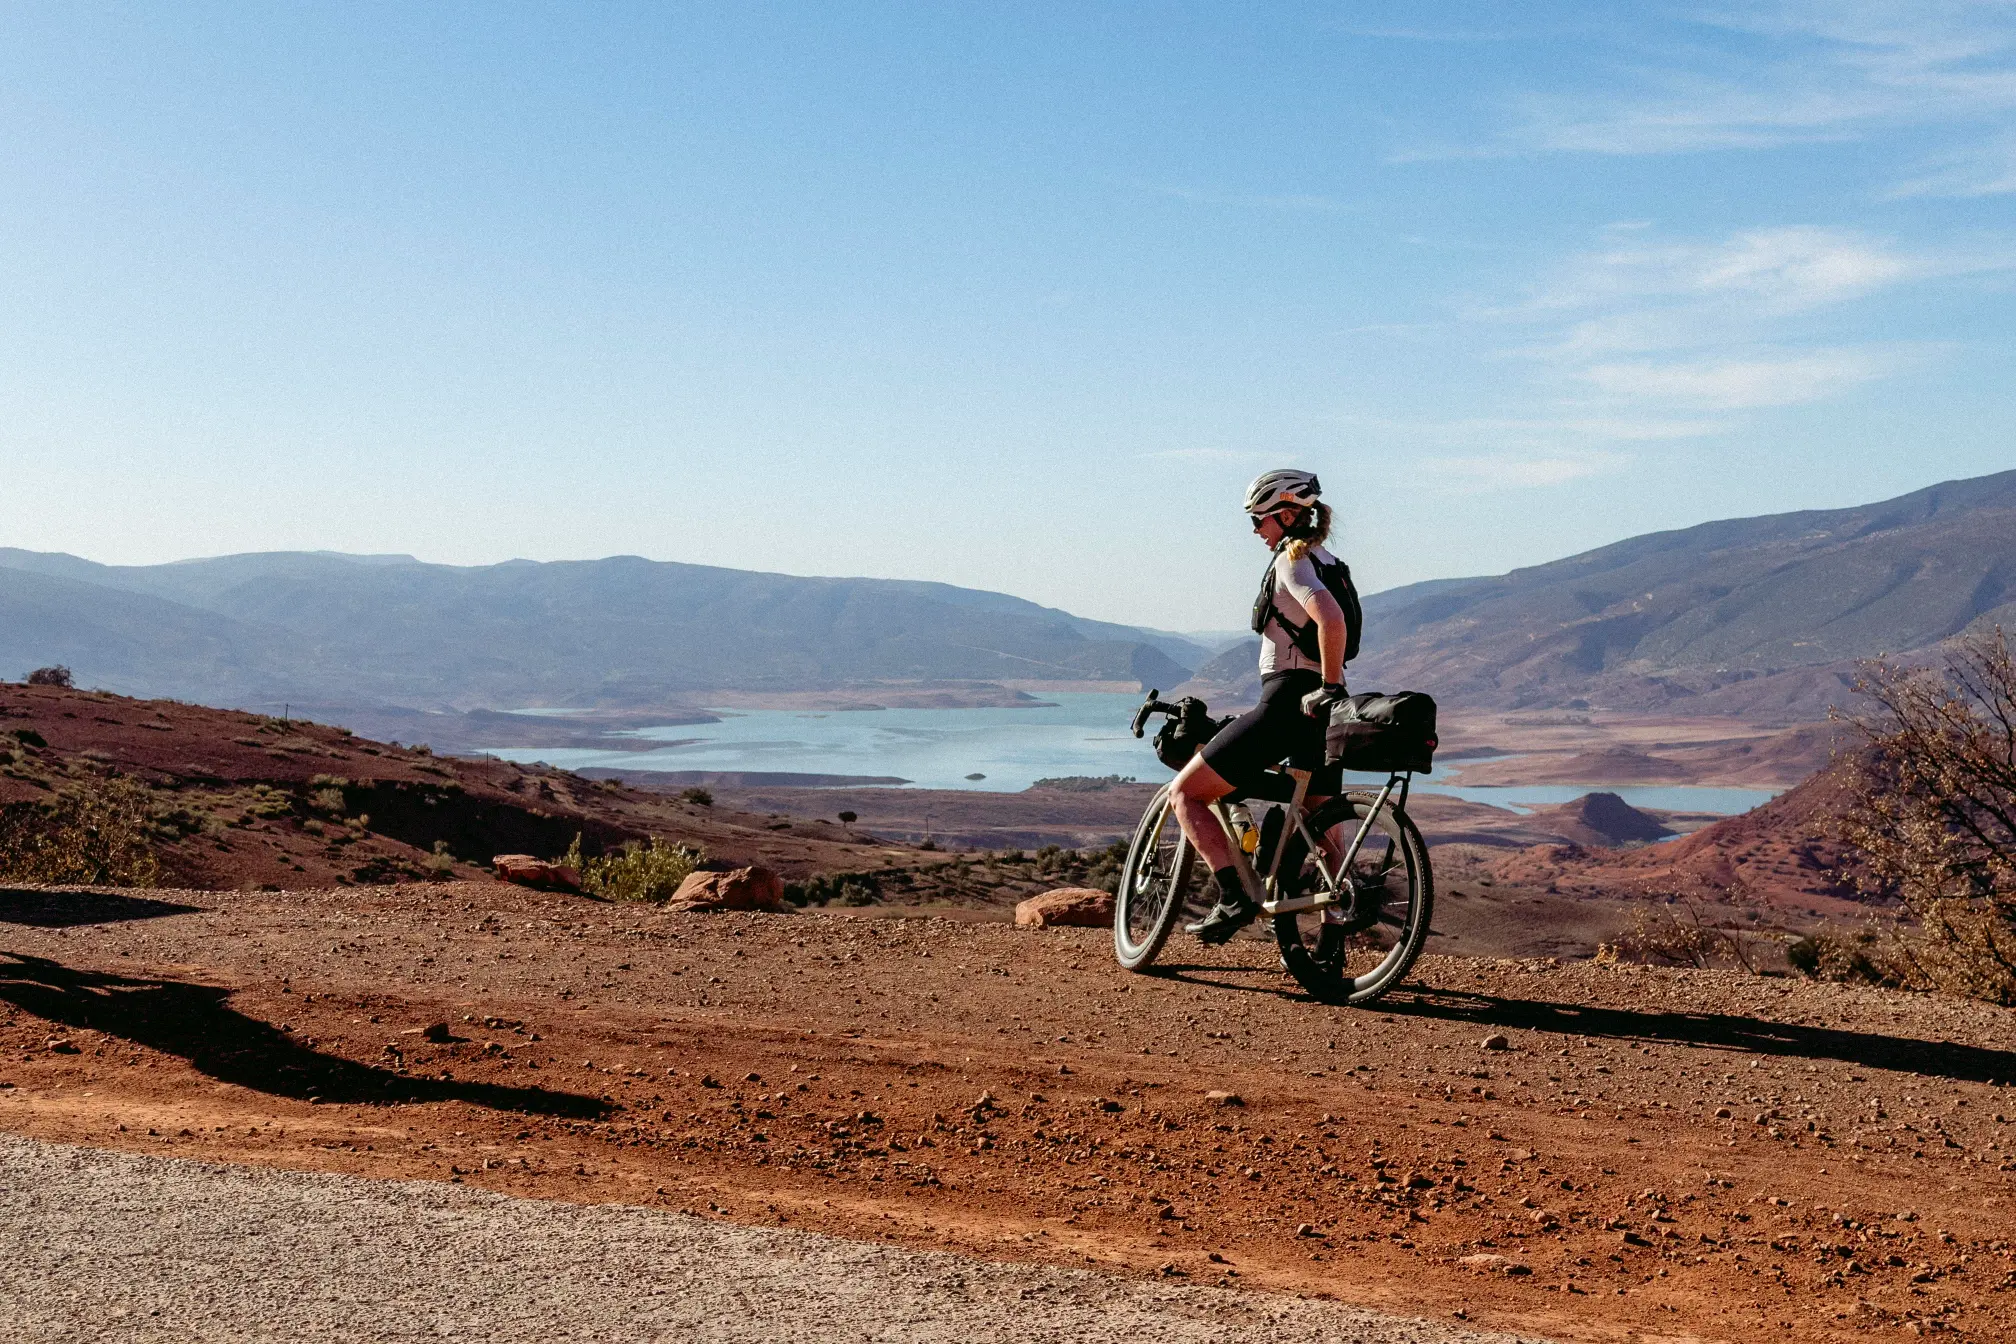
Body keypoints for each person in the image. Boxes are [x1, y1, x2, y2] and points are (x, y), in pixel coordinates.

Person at [1171, 469, 1354, 943]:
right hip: (1324, 712)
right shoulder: (1330, 560)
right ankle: (1331, 940)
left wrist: (1327, 684)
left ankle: (1234, 899)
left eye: (1259, 520)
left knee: (1188, 794)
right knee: (1323, 823)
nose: (1255, 530)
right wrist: (1332, 689)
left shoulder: (1292, 561)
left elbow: (1330, 620)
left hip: (1290, 700)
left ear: (1287, 514)